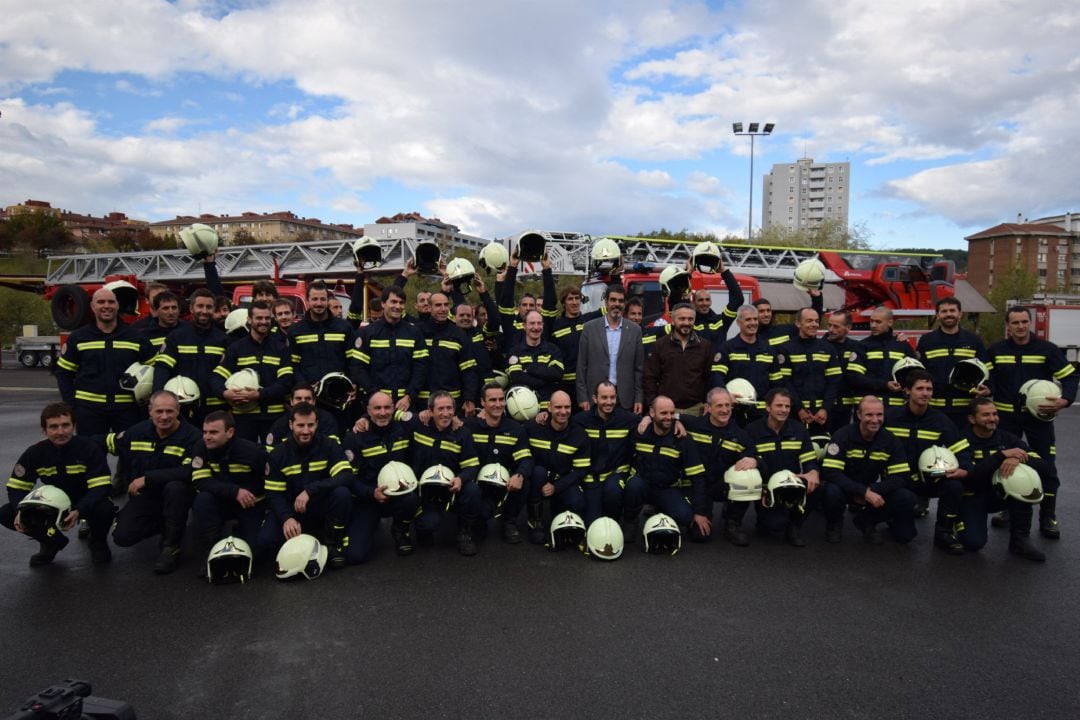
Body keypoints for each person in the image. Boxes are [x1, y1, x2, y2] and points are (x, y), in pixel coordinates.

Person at [986, 305, 1076, 539]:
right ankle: (1007, 511)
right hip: (1006, 420)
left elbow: (1069, 376)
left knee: (1046, 466)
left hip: (1039, 420)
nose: (1020, 326)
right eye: (1015, 322)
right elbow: (988, 378)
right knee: (1006, 464)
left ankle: (1048, 517)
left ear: (1030, 323)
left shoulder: (1046, 349)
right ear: (1008, 326)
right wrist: (985, 389)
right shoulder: (996, 350)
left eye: (1024, 322)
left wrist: (1065, 400)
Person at [1, 403, 115, 565]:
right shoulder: (34, 453)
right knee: (7, 513)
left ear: (74, 426)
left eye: (65, 425)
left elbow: (100, 487)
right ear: (44, 430)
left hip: (86, 501)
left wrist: (79, 510)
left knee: (105, 508)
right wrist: (20, 511)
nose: (60, 432)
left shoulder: (89, 448)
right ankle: (50, 541)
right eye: (53, 427)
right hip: (52, 506)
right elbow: (16, 487)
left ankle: (98, 542)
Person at [105, 391, 201, 574]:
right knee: (122, 537)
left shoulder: (192, 437)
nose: (164, 417)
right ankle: (167, 524)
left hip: (177, 495)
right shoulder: (136, 432)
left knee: (176, 487)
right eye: (159, 411)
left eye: (169, 411)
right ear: (150, 411)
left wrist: (148, 479)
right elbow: (111, 446)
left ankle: (171, 546)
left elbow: (189, 471)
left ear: (178, 410)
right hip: (146, 495)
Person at [884, 369, 973, 554]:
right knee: (904, 536)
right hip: (897, 481)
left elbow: (960, 448)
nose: (925, 393)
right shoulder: (890, 417)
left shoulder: (940, 420)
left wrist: (964, 469)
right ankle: (892, 516)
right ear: (907, 391)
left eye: (929, 389)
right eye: (920, 388)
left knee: (954, 487)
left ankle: (944, 532)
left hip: (927, 479)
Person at [259, 402, 353, 569]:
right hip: (292, 509)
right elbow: (273, 494)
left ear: (317, 424)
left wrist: (310, 490)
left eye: (310, 425)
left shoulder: (329, 445)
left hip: (319, 504)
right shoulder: (278, 454)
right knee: (265, 544)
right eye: (300, 425)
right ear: (291, 425)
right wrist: (287, 518)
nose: (306, 430)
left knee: (342, 493)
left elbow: (345, 476)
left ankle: (332, 543)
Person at [55, 287, 155, 436]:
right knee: (90, 456)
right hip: (89, 411)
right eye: (101, 302)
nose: (106, 306)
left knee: (131, 455)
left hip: (127, 410)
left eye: (111, 302)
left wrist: (146, 403)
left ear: (117, 305)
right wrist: (72, 407)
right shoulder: (78, 338)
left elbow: (155, 370)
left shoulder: (136, 337)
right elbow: (64, 374)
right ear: (92, 307)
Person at [820, 396, 918, 545]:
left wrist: (872, 490)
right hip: (844, 488)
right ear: (859, 415)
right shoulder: (842, 436)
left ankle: (867, 520)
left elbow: (901, 477)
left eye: (879, 415)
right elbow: (831, 473)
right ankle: (834, 524)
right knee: (831, 491)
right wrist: (862, 492)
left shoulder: (890, 440)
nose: (875, 420)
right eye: (869, 415)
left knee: (906, 498)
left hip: (873, 489)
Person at [960, 398, 1049, 561]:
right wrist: (1001, 456)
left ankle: (1020, 540)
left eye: (994, 414)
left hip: (999, 495)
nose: (992, 419)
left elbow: (1044, 466)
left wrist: (1019, 459)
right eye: (985, 415)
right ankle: (956, 523)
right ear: (972, 419)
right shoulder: (961, 440)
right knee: (973, 543)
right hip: (972, 496)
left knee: (1023, 480)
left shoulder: (1007, 438)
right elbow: (971, 477)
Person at [745, 388, 836, 546]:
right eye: (779, 405)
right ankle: (764, 519)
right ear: (768, 407)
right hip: (765, 489)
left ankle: (795, 526)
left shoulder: (799, 430)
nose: (784, 410)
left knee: (821, 486)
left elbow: (809, 460)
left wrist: (813, 472)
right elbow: (749, 463)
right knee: (774, 525)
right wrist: (761, 489)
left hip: (792, 485)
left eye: (787, 406)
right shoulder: (752, 430)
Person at [342, 392, 419, 561]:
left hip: (400, 495)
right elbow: (349, 478)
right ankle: (368, 527)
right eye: (377, 408)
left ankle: (400, 530)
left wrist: (457, 419)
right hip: (369, 498)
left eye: (386, 407)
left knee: (412, 499)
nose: (382, 413)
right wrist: (371, 493)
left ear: (393, 409)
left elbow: (428, 418)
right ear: (368, 411)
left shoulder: (405, 430)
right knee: (355, 556)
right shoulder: (355, 437)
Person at [189, 410, 267, 574]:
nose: (207, 437)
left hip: (250, 504)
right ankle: (211, 550)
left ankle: (241, 532)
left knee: (257, 553)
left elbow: (269, 483)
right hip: (221, 501)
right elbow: (200, 480)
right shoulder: (201, 447)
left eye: (213, 432)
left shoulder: (253, 453)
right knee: (202, 500)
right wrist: (234, 491)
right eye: (205, 432)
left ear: (230, 432)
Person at [622, 395, 709, 542]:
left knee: (685, 517)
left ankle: (662, 511)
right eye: (663, 413)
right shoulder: (639, 432)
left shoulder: (682, 438)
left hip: (667, 489)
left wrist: (700, 512)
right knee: (633, 485)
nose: (668, 417)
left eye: (671, 413)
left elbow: (698, 476)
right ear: (652, 413)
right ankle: (630, 521)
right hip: (642, 486)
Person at [408, 392, 482, 555]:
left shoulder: (463, 433)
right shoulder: (418, 425)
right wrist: (364, 417)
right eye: (440, 408)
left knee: (472, 490)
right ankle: (422, 528)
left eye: (449, 408)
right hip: (425, 492)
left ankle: (465, 534)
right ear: (430, 411)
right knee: (428, 525)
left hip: (451, 489)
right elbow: (391, 414)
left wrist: (461, 479)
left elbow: (472, 466)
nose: (446, 413)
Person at [210, 300, 294, 443]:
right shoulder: (236, 348)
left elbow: (286, 382)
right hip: (243, 418)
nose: (264, 322)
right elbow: (215, 378)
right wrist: (225, 393)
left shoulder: (281, 348)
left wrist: (259, 394)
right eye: (259, 318)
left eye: (267, 318)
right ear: (249, 320)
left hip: (274, 418)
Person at [683, 388, 758, 546]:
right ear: (708, 408)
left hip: (721, 485)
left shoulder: (740, 435)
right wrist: (647, 420)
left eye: (728, 405)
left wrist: (754, 461)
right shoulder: (692, 424)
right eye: (719, 406)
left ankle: (733, 523)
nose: (725, 410)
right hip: (696, 485)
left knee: (749, 478)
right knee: (699, 536)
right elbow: (665, 416)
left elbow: (756, 456)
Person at [467, 383, 533, 543]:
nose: (498, 404)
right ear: (482, 402)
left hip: (504, 484)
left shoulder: (516, 429)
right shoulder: (469, 426)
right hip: (477, 484)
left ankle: (508, 521)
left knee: (525, 480)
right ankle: (472, 523)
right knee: (475, 502)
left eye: (501, 399)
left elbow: (526, 459)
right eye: (492, 400)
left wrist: (520, 475)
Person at [152, 288, 229, 423]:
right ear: (191, 308)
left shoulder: (223, 339)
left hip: (215, 408)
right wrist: (158, 400)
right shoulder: (176, 337)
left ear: (213, 309)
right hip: (183, 407)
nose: (204, 311)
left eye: (209, 307)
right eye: (200, 306)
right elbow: (162, 369)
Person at [351, 285, 429, 415]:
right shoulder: (368, 333)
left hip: (405, 404)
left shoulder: (414, 332)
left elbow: (421, 367)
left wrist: (410, 395)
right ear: (383, 303)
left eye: (401, 303)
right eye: (393, 302)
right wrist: (375, 394)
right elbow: (358, 368)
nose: (398, 306)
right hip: (375, 403)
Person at [572, 381, 641, 526]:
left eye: (612, 397)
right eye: (604, 398)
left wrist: (647, 418)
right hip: (592, 479)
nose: (609, 402)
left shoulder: (627, 419)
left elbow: (652, 421)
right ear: (595, 399)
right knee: (592, 523)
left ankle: (616, 523)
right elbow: (561, 421)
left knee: (613, 492)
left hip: (616, 475)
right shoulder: (581, 420)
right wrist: (544, 416)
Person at [525, 390, 589, 543]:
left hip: (563, 482)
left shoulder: (579, 435)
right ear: (549, 407)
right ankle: (536, 521)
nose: (563, 411)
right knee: (538, 471)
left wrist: (557, 487)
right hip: (538, 480)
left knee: (577, 503)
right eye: (558, 407)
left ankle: (557, 511)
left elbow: (580, 471)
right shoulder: (534, 428)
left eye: (567, 407)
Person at [916, 298, 990, 428]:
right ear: (938, 315)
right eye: (944, 311)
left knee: (963, 447)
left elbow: (987, 370)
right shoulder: (927, 341)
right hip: (934, 409)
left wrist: (988, 388)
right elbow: (919, 373)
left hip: (965, 411)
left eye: (952, 310)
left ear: (960, 314)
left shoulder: (973, 340)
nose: (948, 314)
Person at [769, 307, 841, 435]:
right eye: (809, 321)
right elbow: (786, 383)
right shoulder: (786, 349)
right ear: (798, 324)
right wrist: (799, 409)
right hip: (795, 415)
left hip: (823, 416)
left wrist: (825, 409)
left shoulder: (828, 348)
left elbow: (834, 382)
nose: (814, 324)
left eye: (816, 321)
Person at [576, 284, 644, 413]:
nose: (617, 304)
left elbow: (638, 369)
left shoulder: (635, 331)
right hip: (595, 398)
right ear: (606, 302)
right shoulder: (589, 328)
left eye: (620, 301)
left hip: (624, 398)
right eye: (613, 300)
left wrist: (639, 398)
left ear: (624, 304)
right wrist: (582, 397)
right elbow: (581, 367)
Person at [288, 280, 357, 396]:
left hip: (339, 393)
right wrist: (304, 386)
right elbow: (292, 365)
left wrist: (354, 382)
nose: (319, 303)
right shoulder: (296, 330)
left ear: (327, 301)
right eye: (315, 299)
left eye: (323, 299)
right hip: (309, 395)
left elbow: (354, 361)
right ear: (308, 300)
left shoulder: (344, 327)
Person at [643, 303, 713, 416]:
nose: (686, 323)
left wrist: (707, 402)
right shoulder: (659, 346)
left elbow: (710, 378)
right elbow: (650, 378)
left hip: (696, 410)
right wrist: (653, 405)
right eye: (682, 319)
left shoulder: (705, 346)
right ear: (673, 321)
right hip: (667, 410)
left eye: (690, 319)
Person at [419, 291, 479, 415]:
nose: (443, 309)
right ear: (429, 308)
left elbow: (469, 370)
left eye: (446, 305)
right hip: (422, 401)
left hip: (451, 402)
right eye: (438, 305)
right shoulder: (418, 332)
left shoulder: (459, 334)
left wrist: (470, 398)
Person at [713, 304, 773, 425]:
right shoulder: (728, 348)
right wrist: (726, 396)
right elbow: (716, 376)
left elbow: (777, 382)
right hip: (736, 412)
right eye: (748, 319)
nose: (753, 323)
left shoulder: (768, 349)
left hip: (762, 413)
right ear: (739, 322)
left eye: (755, 319)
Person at [848, 306, 918, 407]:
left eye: (878, 322)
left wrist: (903, 386)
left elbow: (915, 374)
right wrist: (885, 385)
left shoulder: (902, 345)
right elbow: (854, 377)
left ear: (890, 322)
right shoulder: (862, 346)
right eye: (871, 321)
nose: (873, 325)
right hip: (869, 408)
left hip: (896, 409)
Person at [506, 309, 564, 410]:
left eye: (539, 323)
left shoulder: (553, 349)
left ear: (543, 325)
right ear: (524, 326)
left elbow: (557, 374)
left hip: (548, 409)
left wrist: (529, 369)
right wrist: (546, 379)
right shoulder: (515, 352)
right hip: (523, 409)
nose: (536, 327)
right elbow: (516, 378)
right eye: (532, 323)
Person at [265, 384, 340, 448]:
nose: (303, 402)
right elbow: (272, 454)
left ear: (314, 401)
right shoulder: (280, 424)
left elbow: (333, 448)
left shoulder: (327, 420)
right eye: (298, 399)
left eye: (307, 399)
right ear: (291, 401)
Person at [825, 309, 861, 432]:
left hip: (846, 409)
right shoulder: (819, 347)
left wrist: (900, 339)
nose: (831, 329)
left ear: (848, 327)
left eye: (836, 326)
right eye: (829, 325)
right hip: (823, 408)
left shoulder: (856, 347)